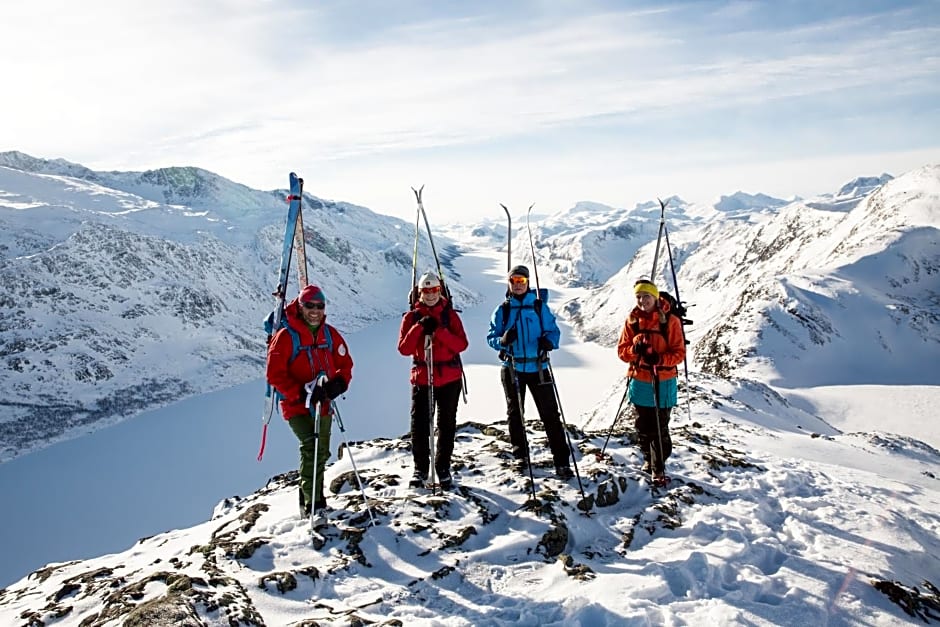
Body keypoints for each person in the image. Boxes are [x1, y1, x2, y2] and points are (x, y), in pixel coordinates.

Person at [266, 284, 353, 519]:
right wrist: (301, 394)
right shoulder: (286, 337)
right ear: (300, 307)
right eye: (310, 306)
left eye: (320, 306)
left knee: (322, 451)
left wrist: (339, 383)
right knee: (311, 446)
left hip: (323, 402)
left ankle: (316, 498)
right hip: (295, 404)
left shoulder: (329, 334)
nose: (315, 311)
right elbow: (274, 374)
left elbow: (345, 364)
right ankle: (311, 503)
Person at [486, 265, 573, 479]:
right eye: (514, 281)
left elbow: (554, 331)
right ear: (509, 283)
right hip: (512, 367)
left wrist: (549, 342)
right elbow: (491, 337)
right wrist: (502, 341)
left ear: (527, 283)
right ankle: (520, 457)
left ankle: (562, 461)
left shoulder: (539, 307)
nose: (517, 285)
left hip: (538, 367)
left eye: (521, 281)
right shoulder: (503, 310)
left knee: (550, 415)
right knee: (516, 414)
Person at [398, 271, 469, 489]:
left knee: (446, 424)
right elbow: (404, 348)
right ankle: (421, 469)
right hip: (422, 379)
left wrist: (438, 330)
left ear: (440, 291)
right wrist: (420, 327)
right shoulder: (411, 318)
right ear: (419, 293)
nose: (430, 295)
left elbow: (461, 345)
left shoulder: (449, 316)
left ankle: (443, 467)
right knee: (419, 426)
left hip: (449, 379)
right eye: (426, 291)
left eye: (434, 290)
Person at [616, 279, 686, 481]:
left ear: (655, 297)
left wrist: (660, 359)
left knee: (660, 425)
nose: (642, 300)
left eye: (646, 296)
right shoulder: (633, 320)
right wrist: (634, 351)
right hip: (640, 379)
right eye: (638, 296)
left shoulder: (670, 321)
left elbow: (679, 353)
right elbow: (622, 352)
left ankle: (658, 465)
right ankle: (650, 459)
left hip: (663, 379)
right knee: (643, 425)